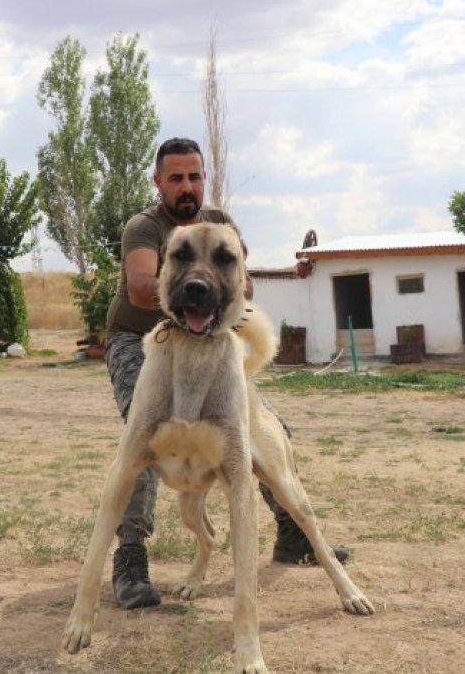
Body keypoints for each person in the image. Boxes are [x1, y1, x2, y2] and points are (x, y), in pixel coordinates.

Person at [104, 137, 348, 610]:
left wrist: (213, 301)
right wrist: (195, 291)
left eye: (194, 176)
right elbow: (138, 288)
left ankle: (292, 535)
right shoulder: (144, 227)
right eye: (175, 178)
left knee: (268, 428)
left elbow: (246, 283)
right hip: (140, 341)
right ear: (158, 183)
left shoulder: (220, 225)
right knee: (150, 438)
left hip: (206, 341)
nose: (186, 186)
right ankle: (130, 558)